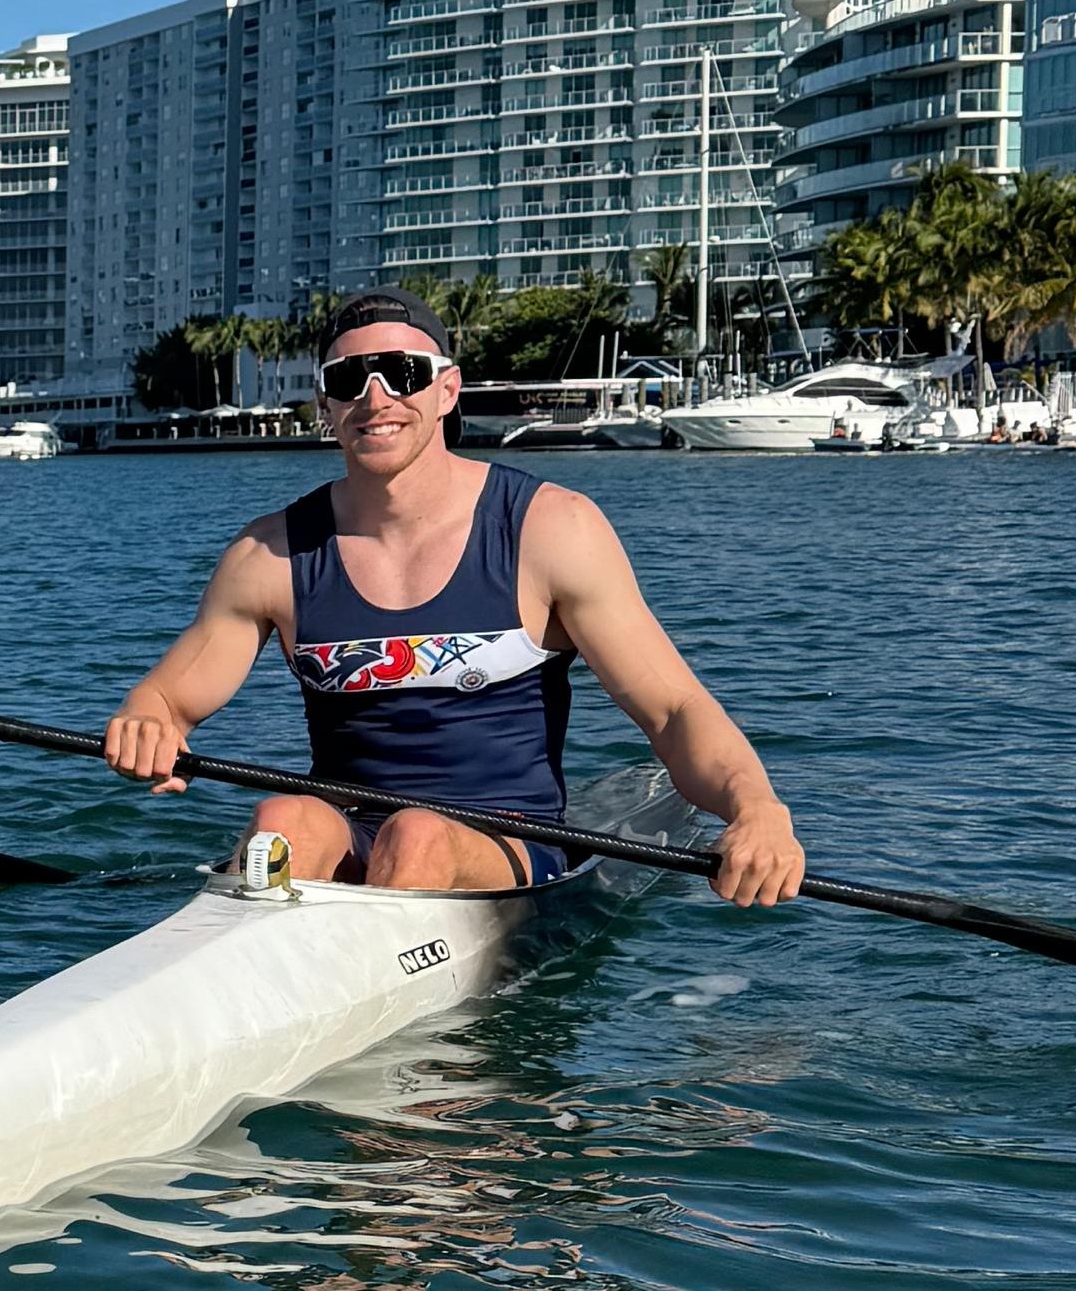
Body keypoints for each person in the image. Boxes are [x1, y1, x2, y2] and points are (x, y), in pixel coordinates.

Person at [103, 288, 805, 900]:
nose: (376, 397)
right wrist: (148, 723)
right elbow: (166, 699)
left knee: (418, 839)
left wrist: (757, 808)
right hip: (351, 827)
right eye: (350, 379)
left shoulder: (550, 529)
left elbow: (674, 710)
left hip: (506, 840)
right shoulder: (270, 554)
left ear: (446, 390)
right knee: (279, 822)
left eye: (403, 374)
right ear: (325, 403)